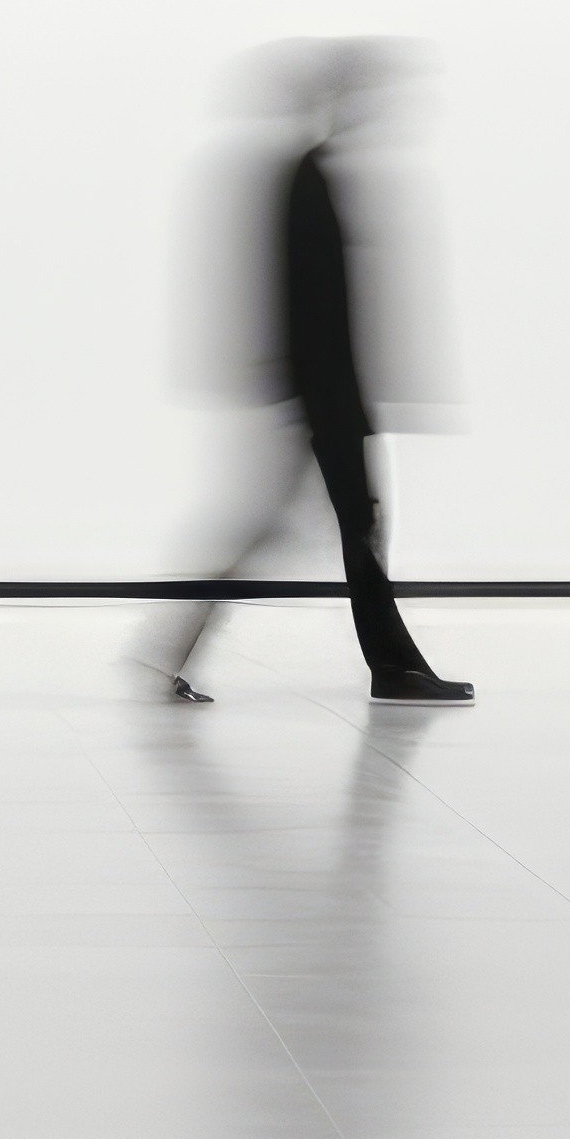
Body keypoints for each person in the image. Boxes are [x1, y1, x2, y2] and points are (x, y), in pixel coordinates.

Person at [139, 38, 469, 707]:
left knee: (329, 525)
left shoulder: (308, 173)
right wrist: (337, 398)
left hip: (322, 394)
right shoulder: (310, 175)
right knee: (356, 526)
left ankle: (170, 651)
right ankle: (393, 668)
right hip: (327, 397)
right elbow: (314, 303)